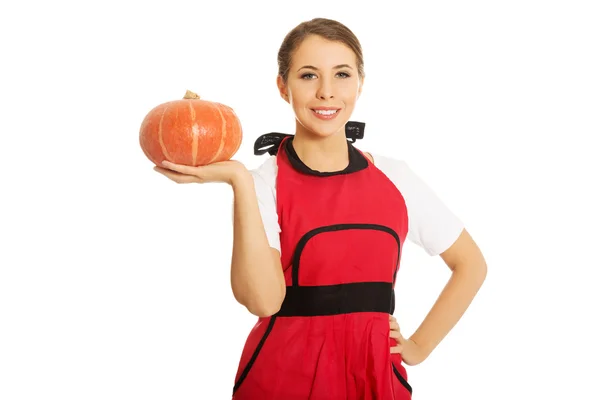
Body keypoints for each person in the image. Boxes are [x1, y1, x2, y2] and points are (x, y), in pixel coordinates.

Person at [155, 17, 487, 400]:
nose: (327, 92)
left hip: (374, 376)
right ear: (283, 87)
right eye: (309, 76)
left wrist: (418, 347)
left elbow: (471, 264)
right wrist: (239, 181)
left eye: (342, 74)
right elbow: (262, 300)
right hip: (283, 377)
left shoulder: (395, 177)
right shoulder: (264, 183)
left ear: (360, 83)